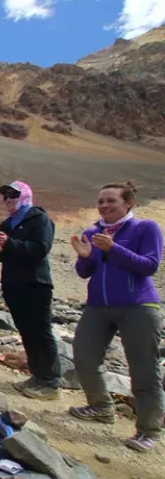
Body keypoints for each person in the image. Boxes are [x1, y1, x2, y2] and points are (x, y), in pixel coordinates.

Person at [67, 182, 163, 452]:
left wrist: (113, 249)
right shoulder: (92, 232)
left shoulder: (146, 228)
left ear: (128, 203)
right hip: (98, 306)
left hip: (139, 306)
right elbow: (85, 272)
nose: (105, 206)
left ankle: (148, 429)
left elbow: (150, 265)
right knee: (84, 355)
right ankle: (100, 407)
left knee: (144, 368)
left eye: (111, 201)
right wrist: (85, 258)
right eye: (101, 202)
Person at [0, 182, 60, 399]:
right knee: (26, 331)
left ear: (25, 196)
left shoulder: (39, 219)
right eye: (6, 196)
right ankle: (37, 375)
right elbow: (0, 255)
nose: (8, 199)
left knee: (41, 330)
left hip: (35, 282)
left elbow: (41, 248)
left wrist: (10, 244)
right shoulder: (7, 223)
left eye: (13, 195)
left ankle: (51, 381)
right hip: (12, 282)